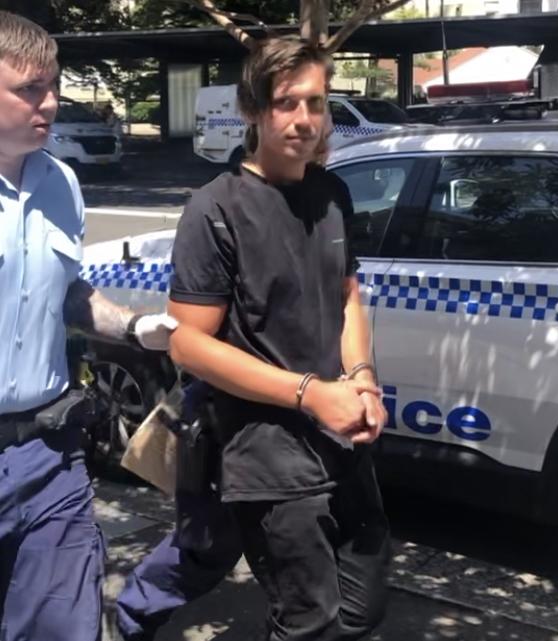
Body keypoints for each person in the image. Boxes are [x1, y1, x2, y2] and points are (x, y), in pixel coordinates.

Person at [167, 37, 390, 641]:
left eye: (316, 103)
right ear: (253, 109)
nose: (304, 120)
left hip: (343, 440)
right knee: (310, 622)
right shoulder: (215, 210)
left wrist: (362, 378)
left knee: (361, 610)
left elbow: (346, 296)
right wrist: (311, 394)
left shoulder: (332, 194)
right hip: (265, 452)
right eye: (286, 102)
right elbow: (188, 344)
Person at [114, 116, 339, 641]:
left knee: (289, 564)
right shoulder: (222, 208)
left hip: (299, 425)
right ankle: (127, 617)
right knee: (206, 544)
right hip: (228, 421)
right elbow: (193, 341)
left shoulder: (325, 202)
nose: (313, 127)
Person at [0, 12, 176, 641]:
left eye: (53, 86)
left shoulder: (63, 184)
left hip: (49, 453)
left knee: (66, 627)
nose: (49, 103)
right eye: (28, 90)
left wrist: (135, 327)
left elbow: (67, 293)